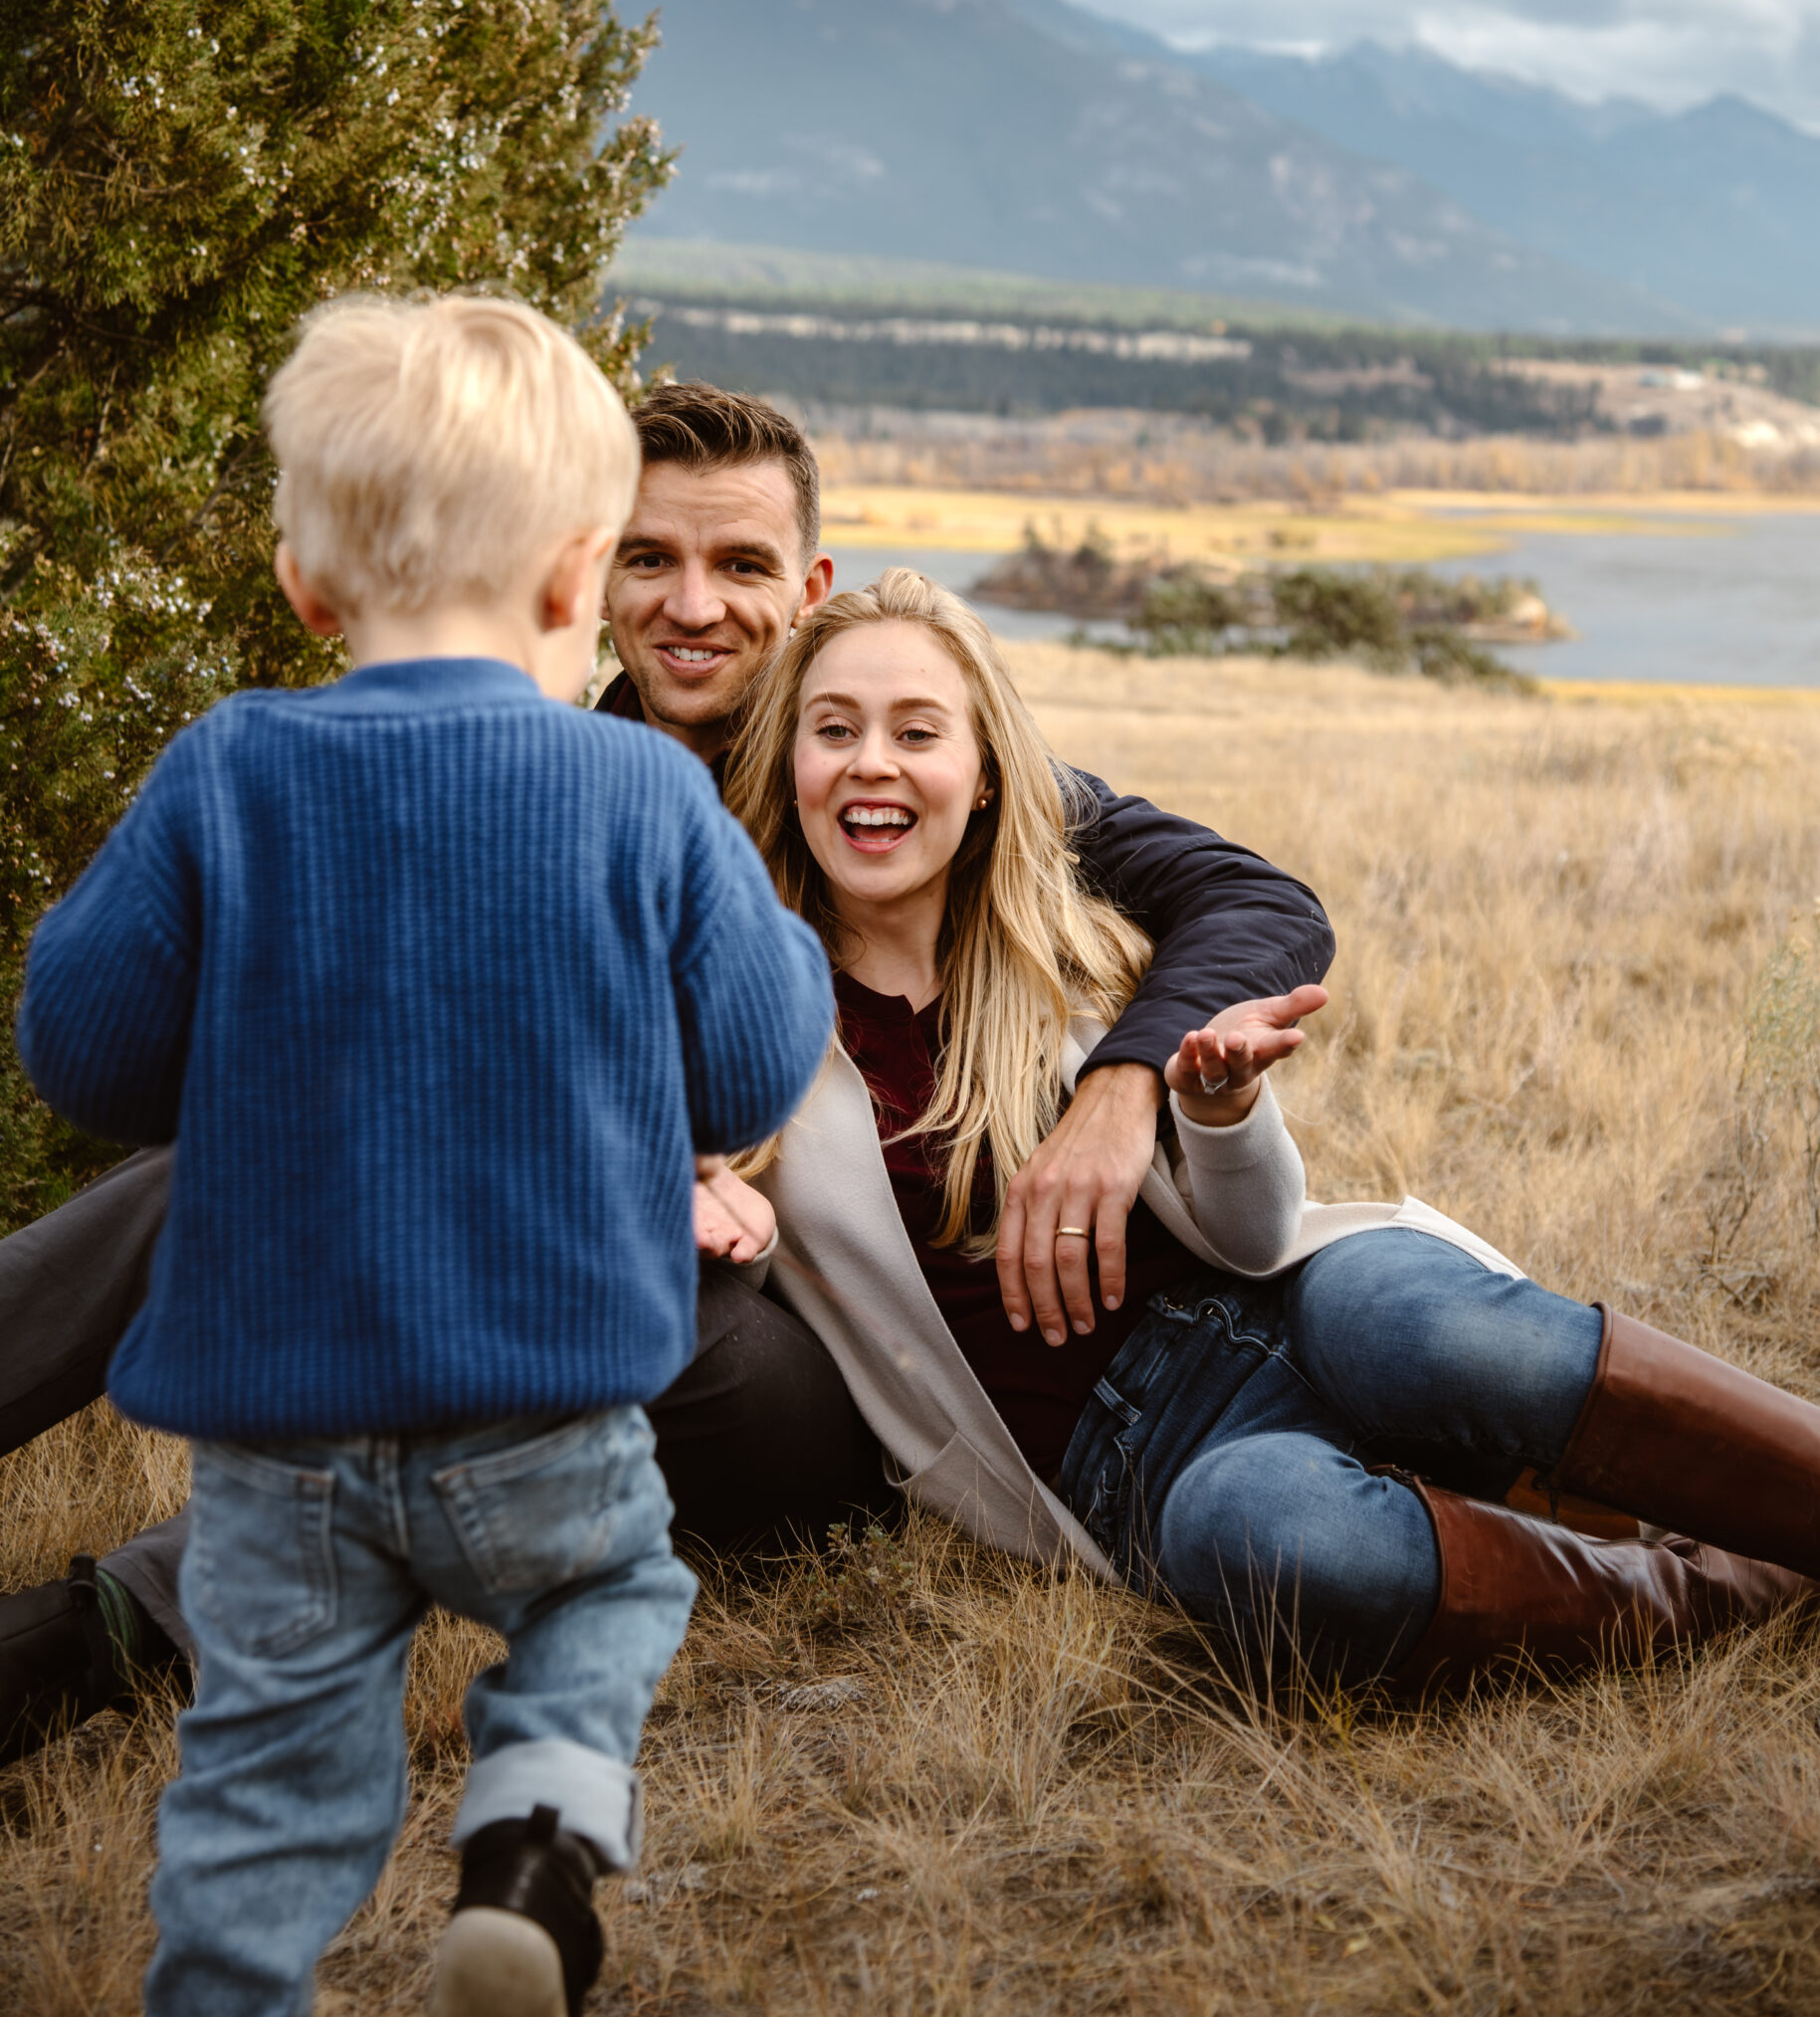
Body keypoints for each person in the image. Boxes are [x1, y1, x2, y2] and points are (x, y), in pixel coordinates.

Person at [0, 383, 1336, 1754]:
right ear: (592, 569)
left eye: (741, 564)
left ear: (805, 587)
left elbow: (1260, 905)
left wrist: (1119, 1086)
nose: (694, 605)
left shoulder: (882, 767)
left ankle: (98, 1634)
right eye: (650, 557)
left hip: (811, 1386)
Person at [15, 298, 835, 2017]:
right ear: (576, 576)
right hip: (546, 1411)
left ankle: (227, 1983)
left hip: (281, 1440)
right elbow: (755, 1064)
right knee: (607, 1598)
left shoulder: (227, 770)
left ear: (307, 584)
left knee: (265, 1770)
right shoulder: (640, 794)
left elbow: (80, 1053)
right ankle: (532, 1849)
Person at [724, 568, 1820, 1687]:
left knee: (1403, 1319)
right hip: (1146, 1464)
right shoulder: (741, 1021)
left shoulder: (1081, 951)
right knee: (1267, 1529)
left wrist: (1220, 1113)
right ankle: (1721, 1586)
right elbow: (752, 1255)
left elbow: (1253, 1237)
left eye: (917, 731)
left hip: (1299, 1306)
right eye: (833, 730)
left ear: (988, 775)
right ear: (789, 764)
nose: (871, 762)